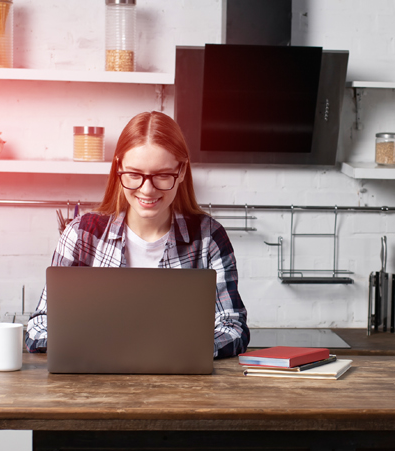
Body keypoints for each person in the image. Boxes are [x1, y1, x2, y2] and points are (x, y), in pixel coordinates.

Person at [24, 111, 249, 358]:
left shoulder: (209, 238)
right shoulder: (80, 234)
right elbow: (38, 327)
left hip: (181, 390)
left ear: (181, 171)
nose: (147, 189)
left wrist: (175, 350)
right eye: (134, 174)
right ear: (118, 168)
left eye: (162, 175)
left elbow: (233, 327)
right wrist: (101, 345)